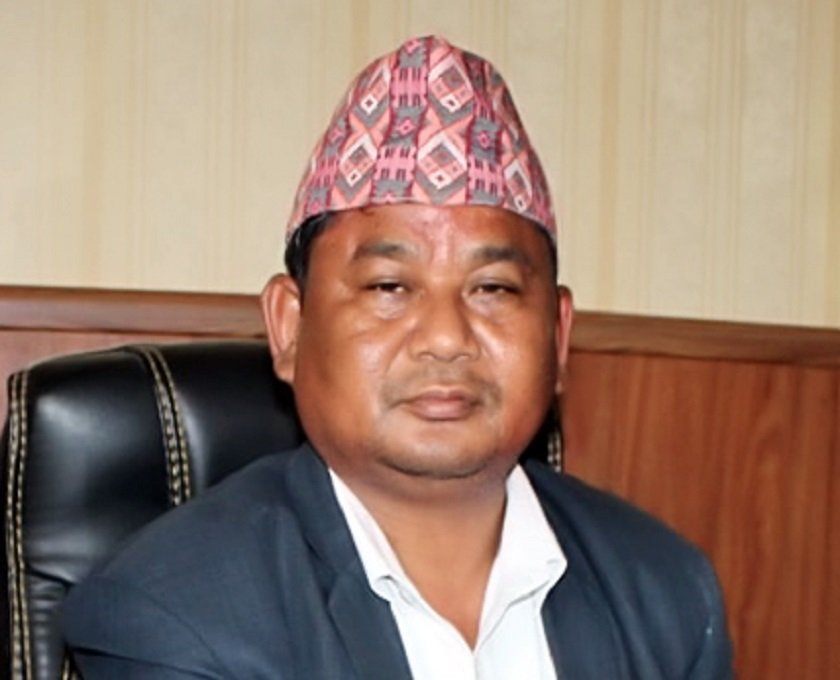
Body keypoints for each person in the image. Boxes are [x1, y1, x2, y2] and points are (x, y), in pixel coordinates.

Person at [63, 35, 733, 679]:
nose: (445, 337)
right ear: (290, 326)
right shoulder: (178, 610)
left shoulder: (665, 590)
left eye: (493, 289)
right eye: (389, 287)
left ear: (558, 337)